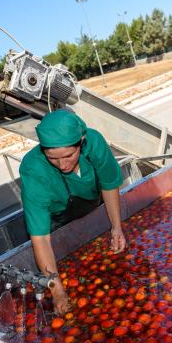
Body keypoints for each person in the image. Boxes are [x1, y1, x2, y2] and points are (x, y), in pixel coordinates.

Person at [20, 109, 126, 314]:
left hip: (92, 202)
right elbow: (41, 239)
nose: (63, 164)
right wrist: (58, 291)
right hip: (57, 219)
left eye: (69, 155)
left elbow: (109, 184)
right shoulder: (33, 169)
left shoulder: (94, 142)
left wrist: (116, 227)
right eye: (53, 158)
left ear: (82, 142)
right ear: (43, 151)